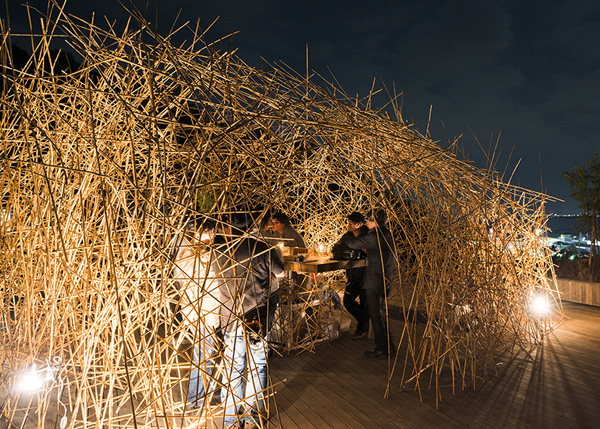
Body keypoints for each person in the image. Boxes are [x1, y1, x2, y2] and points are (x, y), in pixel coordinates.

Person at [214, 213, 285, 429]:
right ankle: (253, 416)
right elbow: (280, 273)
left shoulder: (218, 250)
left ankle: (230, 420)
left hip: (229, 317)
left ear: (228, 226)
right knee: (258, 365)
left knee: (233, 367)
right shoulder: (261, 248)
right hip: (255, 317)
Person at [173, 219, 222, 410]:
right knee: (204, 355)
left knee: (201, 354)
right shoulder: (199, 255)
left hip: (194, 310)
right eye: (210, 233)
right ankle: (197, 399)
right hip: (204, 311)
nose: (213, 236)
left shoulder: (186, 252)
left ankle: (199, 396)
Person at [340, 209, 398, 358]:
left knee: (375, 315)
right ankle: (387, 347)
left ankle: (382, 348)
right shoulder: (387, 235)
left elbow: (352, 243)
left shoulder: (376, 237)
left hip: (376, 281)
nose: (366, 223)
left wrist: (345, 239)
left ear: (375, 221)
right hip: (384, 279)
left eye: (368, 220)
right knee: (377, 314)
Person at [335, 212, 369, 339]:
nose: (348, 225)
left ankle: (362, 329)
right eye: (348, 222)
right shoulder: (347, 236)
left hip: (366, 276)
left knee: (365, 302)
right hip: (352, 276)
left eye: (351, 223)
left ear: (359, 225)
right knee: (348, 302)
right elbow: (338, 246)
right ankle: (366, 321)